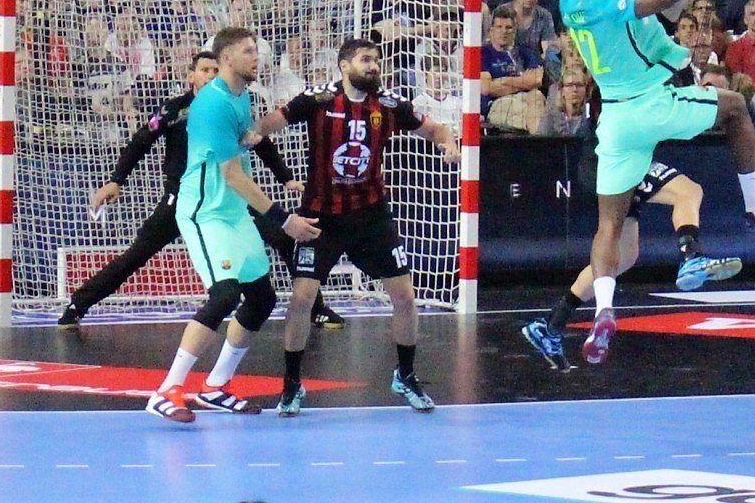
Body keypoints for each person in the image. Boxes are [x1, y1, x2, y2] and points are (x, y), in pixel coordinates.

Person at [560, 0, 755, 366]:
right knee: (735, 109)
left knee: (608, 228)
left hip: (613, 122)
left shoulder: (569, 1)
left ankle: (604, 310)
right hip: (651, 104)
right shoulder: (616, 5)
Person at [249, 38, 461, 416]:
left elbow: (436, 130)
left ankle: (406, 375)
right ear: (344, 66)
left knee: (404, 296)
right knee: (301, 300)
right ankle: (292, 383)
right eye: (365, 59)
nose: (373, 65)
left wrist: (449, 144)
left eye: (376, 60)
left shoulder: (390, 105)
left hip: (371, 216)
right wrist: (249, 134)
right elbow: (267, 124)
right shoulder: (316, 100)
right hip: (321, 217)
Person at [58, 50, 344, 327]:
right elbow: (141, 141)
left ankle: (315, 308)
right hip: (183, 200)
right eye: (204, 70)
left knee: (284, 238)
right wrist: (116, 180)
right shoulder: (175, 109)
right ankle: (78, 305)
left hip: (226, 200)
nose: (210, 75)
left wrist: (285, 178)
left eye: (215, 71)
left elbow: (261, 141)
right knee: (136, 255)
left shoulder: (230, 106)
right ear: (191, 76)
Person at [144, 28, 321, 423]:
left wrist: (253, 136)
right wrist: (283, 219)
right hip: (204, 212)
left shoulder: (243, 97)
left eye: (256, 49)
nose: (256, 56)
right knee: (224, 295)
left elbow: (242, 143)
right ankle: (166, 390)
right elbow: (232, 175)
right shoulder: (212, 104)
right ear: (226, 58)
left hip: (233, 212)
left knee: (262, 299)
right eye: (247, 51)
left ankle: (215, 386)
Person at [522, 103, 744, 371]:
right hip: (615, 159)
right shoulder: (636, 88)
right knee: (688, 191)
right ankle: (691, 257)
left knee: (625, 255)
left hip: (602, 162)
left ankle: (551, 325)